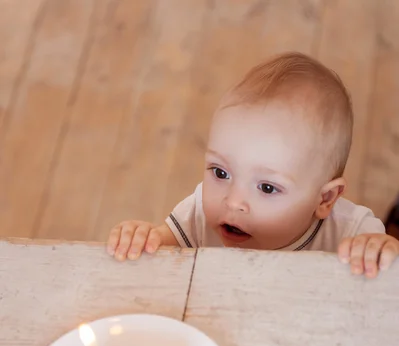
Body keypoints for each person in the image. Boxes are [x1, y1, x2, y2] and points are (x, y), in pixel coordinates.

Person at [107, 52, 399, 279]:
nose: (234, 202)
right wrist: (147, 239)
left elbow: (386, 274)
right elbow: (165, 246)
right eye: (221, 173)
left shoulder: (352, 231)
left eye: (267, 187)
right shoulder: (200, 213)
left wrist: (380, 252)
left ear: (325, 198)